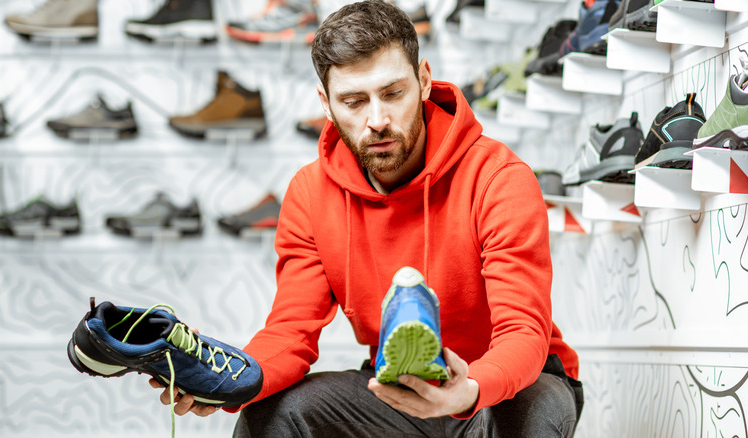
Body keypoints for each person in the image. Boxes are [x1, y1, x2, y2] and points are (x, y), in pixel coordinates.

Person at [151, 1, 583, 436]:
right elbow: (291, 331)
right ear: (326, 103)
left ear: (424, 80)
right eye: (354, 101)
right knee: (272, 413)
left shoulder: (498, 178)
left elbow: (522, 332)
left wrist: (468, 390)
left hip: (499, 387)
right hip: (398, 388)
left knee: (533, 409)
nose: (377, 120)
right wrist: (230, 380)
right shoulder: (310, 193)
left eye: (393, 94)